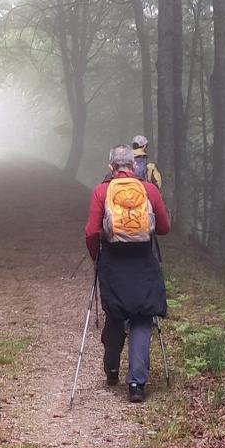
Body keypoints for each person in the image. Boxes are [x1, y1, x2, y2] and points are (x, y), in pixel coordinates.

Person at [84, 145, 171, 402]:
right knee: (142, 317)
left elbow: (91, 232)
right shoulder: (149, 190)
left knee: (115, 313)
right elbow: (164, 228)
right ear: (133, 166)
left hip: (113, 260)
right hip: (143, 260)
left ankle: (112, 367)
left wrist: (96, 257)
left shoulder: (102, 191)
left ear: (111, 167)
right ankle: (136, 384)